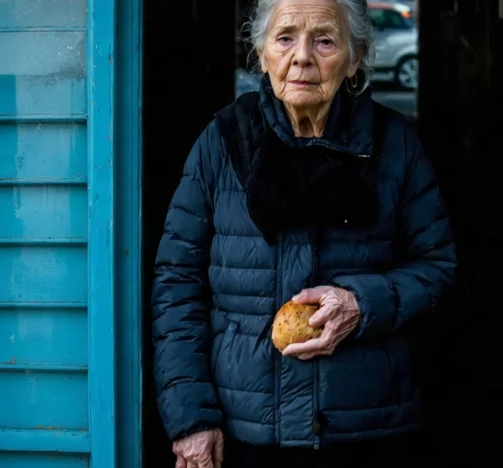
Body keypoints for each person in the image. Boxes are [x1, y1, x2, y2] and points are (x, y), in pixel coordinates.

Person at [151, 0, 457, 466]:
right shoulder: (221, 143)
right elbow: (177, 286)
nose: (303, 57)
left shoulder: (395, 145)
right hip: (244, 431)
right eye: (285, 37)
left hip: (367, 431)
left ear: (354, 58)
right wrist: (192, 417)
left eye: (326, 40)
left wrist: (360, 303)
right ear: (262, 52)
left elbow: (438, 270)